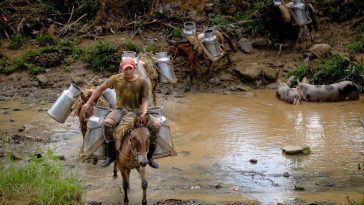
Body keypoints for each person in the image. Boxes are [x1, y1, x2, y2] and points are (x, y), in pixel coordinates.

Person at [82, 57, 160, 168]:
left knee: (157, 125)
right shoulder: (116, 78)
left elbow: (145, 100)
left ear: (134, 68)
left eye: (130, 68)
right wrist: (89, 103)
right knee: (107, 123)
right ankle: (111, 155)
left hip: (137, 111)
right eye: (125, 69)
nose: (127, 71)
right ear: (122, 68)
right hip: (120, 110)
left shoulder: (142, 81)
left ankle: (150, 156)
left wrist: (144, 113)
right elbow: (100, 88)